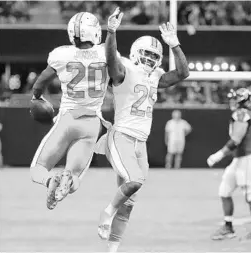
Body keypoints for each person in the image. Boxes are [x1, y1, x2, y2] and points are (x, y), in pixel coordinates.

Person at [97, 8, 189, 252]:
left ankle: (112, 249)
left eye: (153, 55)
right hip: (122, 136)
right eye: (145, 54)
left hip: (141, 143)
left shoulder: (156, 76)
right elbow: (110, 62)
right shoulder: (125, 69)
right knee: (135, 180)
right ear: (135, 53)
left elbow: (183, 73)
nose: (149, 59)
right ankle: (107, 212)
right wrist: (111, 32)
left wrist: (175, 44)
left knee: (129, 201)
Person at [30, 12, 110, 210]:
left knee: (37, 169)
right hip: (92, 122)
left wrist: (37, 98)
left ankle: (50, 181)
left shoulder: (62, 54)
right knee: (75, 177)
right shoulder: (107, 53)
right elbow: (119, 76)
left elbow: (40, 82)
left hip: (68, 118)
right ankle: (66, 178)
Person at [207, 88, 251, 240]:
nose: (232, 102)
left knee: (249, 196)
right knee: (224, 190)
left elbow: (237, 139)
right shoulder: (242, 113)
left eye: (235, 99)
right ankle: (228, 227)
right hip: (239, 159)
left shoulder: (242, 113)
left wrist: (219, 155)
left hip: (247, 158)